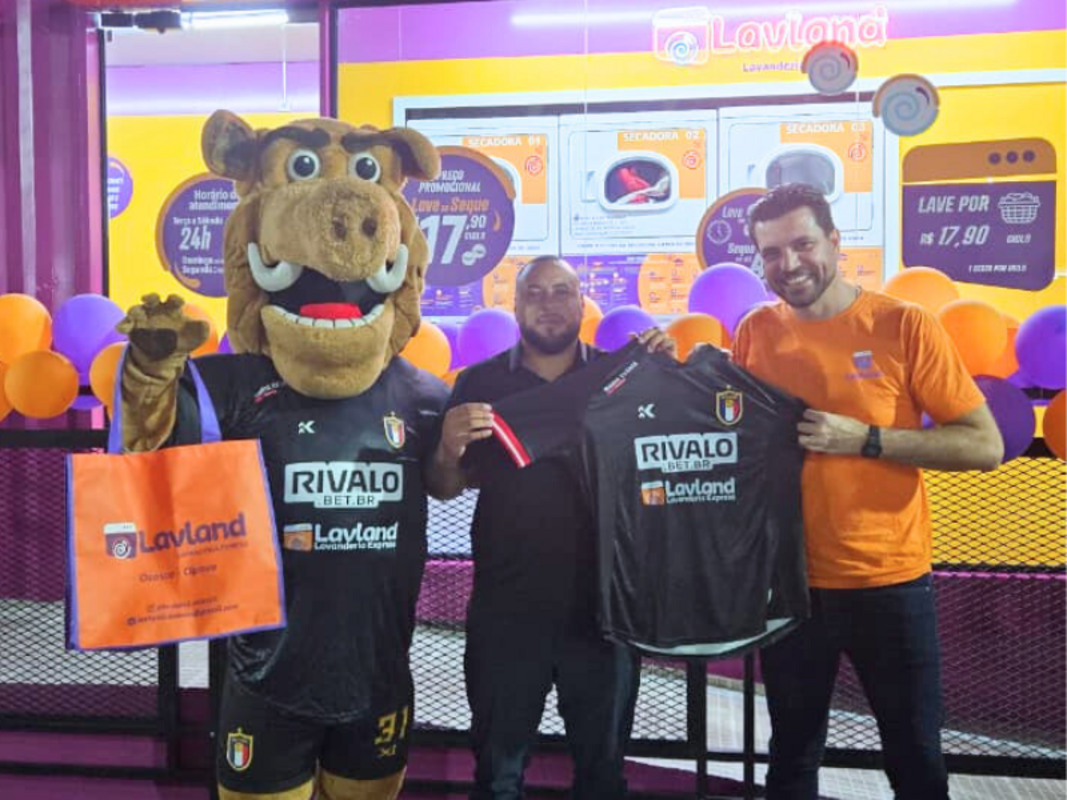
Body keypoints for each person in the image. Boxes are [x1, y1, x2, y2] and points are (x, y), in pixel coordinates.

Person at [732, 183, 1004, 800]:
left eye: (803, 244)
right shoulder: (754, 331)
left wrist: (866, 439)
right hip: (789, 587)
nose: (789, 264)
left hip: (890, 583)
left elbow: (984, 445)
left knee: (915, 760)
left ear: (834, 242)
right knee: (791, 759)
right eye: (771, 252)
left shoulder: (903, 324)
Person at [430, 256, 674, 800]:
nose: (548, 304)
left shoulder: (621, 377)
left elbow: (671, 451)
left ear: (582, 302)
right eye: (534, 293)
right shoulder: (480, 382)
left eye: (561, 291)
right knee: (497, 778)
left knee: (603, 778)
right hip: (508, 613)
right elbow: (445, 486)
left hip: (603, 612)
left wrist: (669, 371)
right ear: (515, 305)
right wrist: (447, 448)